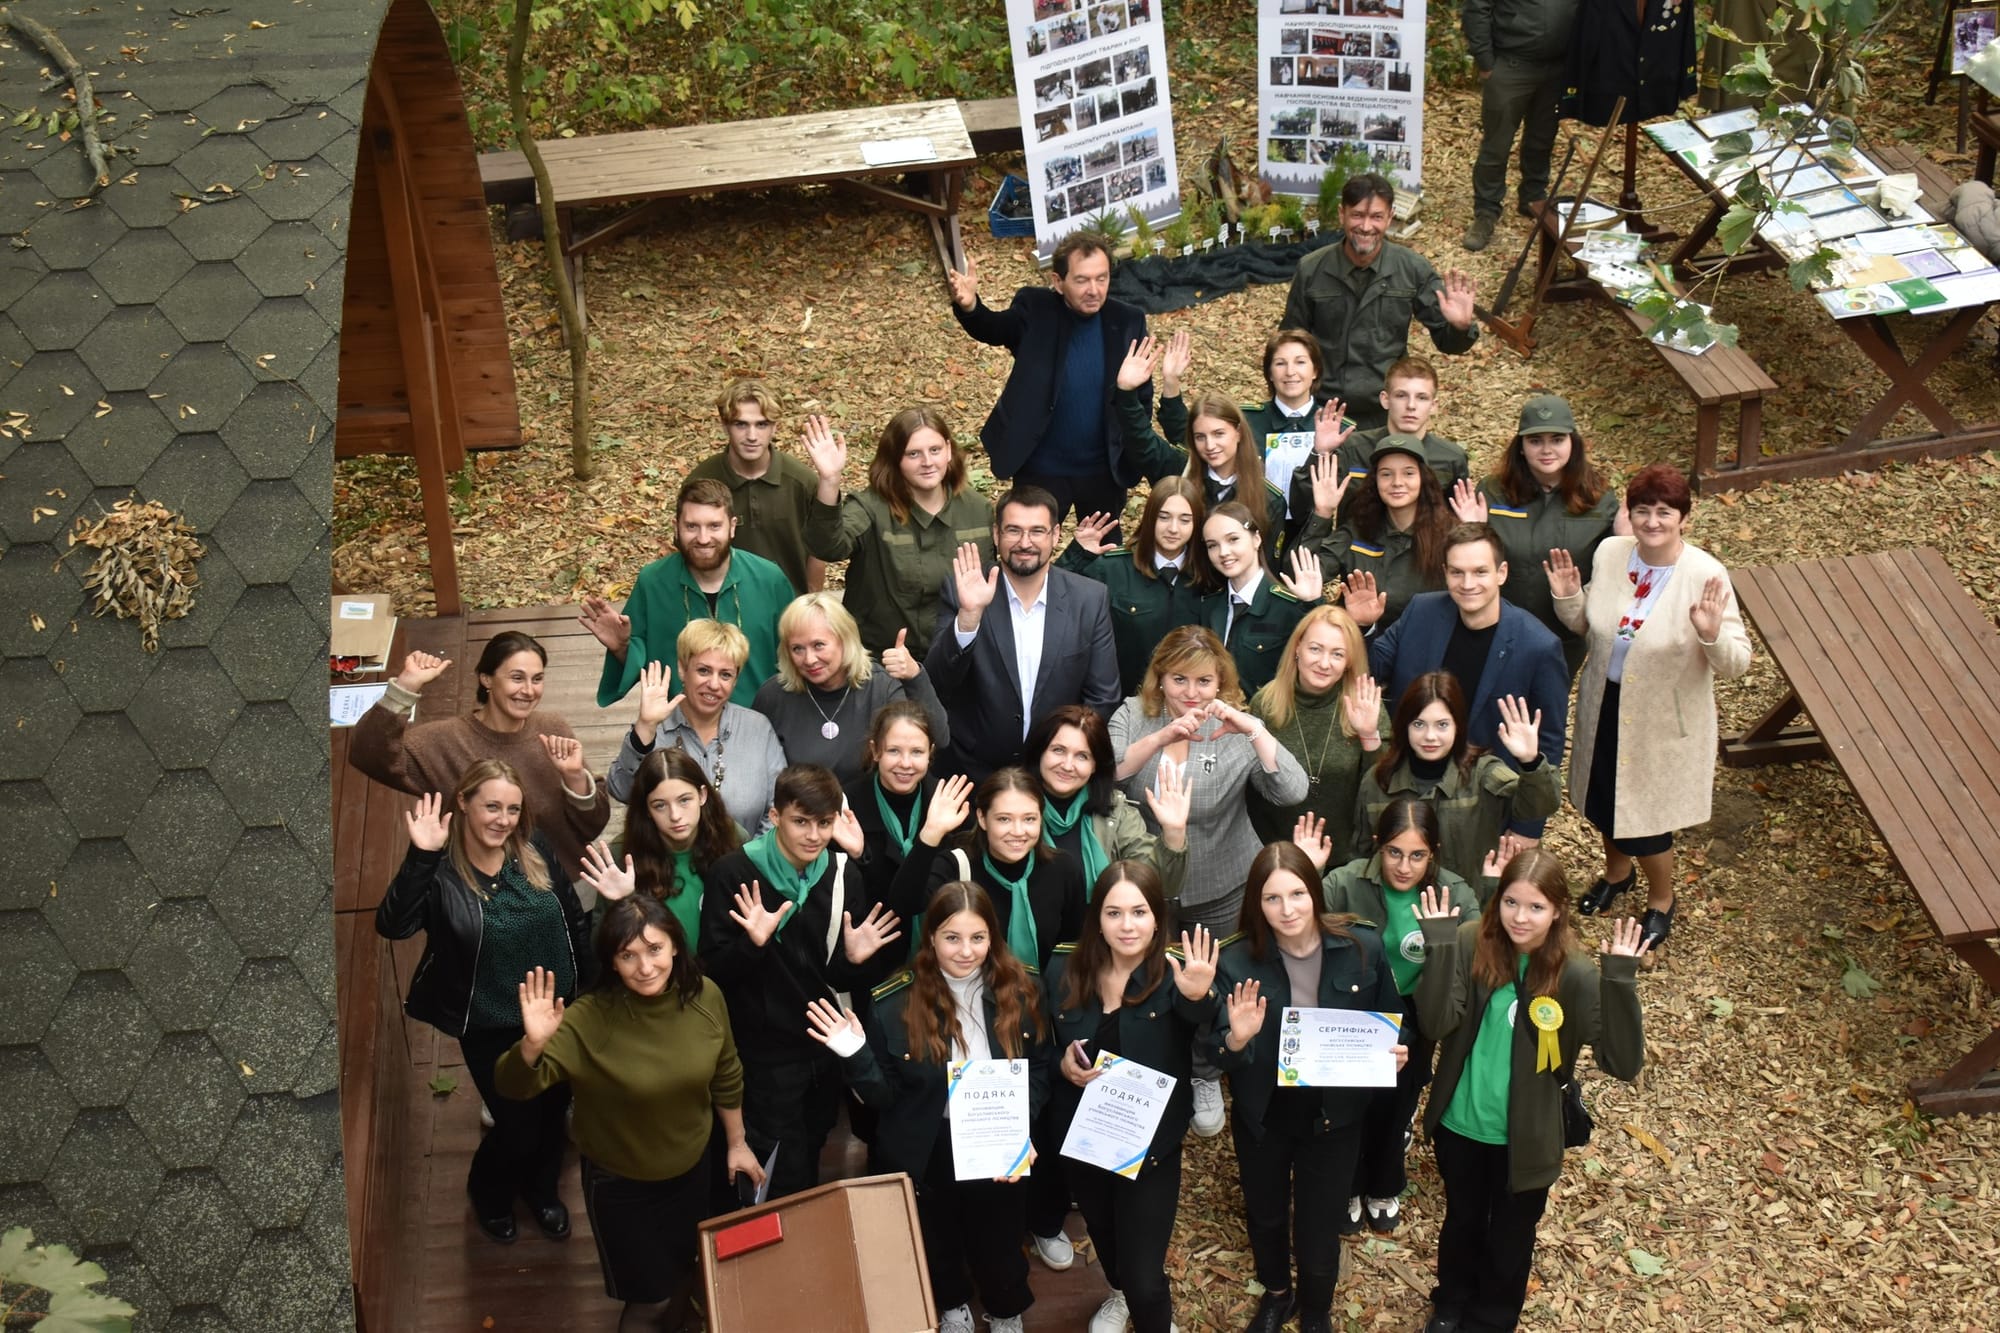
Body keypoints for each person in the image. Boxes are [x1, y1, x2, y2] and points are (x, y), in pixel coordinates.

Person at [496, 900, 762, 1333]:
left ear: (676, 946)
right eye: (628, 955)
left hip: (691, 1171)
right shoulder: (588, 1019)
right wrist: (532, 1045)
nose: (644, 967)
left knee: (683, 1273)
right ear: (612, 963)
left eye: (654, 949)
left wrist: (736, 1142)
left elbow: (727, 1072)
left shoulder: (706, 996)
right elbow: (513, 1086)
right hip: (621, 1187)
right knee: (649, 1299)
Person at [1412, 852, 1648, 1333]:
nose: (1520, 917)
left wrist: (1620, 979)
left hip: (1528, 1139)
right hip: (1461, 1124)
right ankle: (1450, 1303)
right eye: (1511, 902)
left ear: (1558, 910)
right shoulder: (1466, 942)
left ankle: (1490, 1320)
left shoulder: (1577, 974)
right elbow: (1435, 1023)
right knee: (1462, 1223)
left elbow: (1622, 1063)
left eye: (1536, 907)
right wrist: (1438, 946)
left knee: (1510, 1240)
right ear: (1497, 900)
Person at [806, 882, 1052, 1333]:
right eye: (952, 938)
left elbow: (1039, 1067)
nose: (965, 951)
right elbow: (884, 1099)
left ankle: (1004, 1307)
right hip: (928, 1140)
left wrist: (1022, 1127)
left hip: (998, 1132)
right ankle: (951, 1302)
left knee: (1000, 1231)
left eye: (978, 938)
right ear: (931, 938)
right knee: (936, 1233)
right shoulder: (895, 1000)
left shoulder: (1024, 988)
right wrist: (855, 1054)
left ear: (993, 938)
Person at [375, 761, 591, 1245]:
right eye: (492, 806)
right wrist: (420, 857)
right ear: (464, 803)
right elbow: (393, 926)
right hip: (491, 1022)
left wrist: (588, 992)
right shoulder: (441, 874)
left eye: (513, 809)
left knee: (554, 1112)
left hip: (557, 1014)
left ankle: (542, 1192)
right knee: (517, 1127)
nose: (503, 819)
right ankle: (489, 1194)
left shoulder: (533, 850)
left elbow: (574, 918)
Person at [1111, 625, 1307, 1138]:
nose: (1191, 693)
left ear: (1221, 681)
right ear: (1160, 677)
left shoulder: (1234, 726)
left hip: (1226, 881)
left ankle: (1204, 1071)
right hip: (1149, 882)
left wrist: (1253, 729)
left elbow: (1292, 790)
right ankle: (1154, 1074)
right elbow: (1104, 773)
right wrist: (1162, 736)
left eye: (1204, 681)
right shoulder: (1134, 716)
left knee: (1218, 983)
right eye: (1179, 679)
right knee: (1152, 982)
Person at [1548, 463, 1752, 954]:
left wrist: (1709, 631)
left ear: (1685, 516)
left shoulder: (1705, 573)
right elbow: (1591, 625)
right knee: (1601, 802)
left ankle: (1662, 899)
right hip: (1607, 704)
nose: (1653, 521)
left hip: (1661, 719)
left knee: (1647, 821)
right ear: (1630, 515)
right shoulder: (1612, 553)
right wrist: (1568, 594)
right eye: (1643, 511)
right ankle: (1617, 876)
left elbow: (1737, 664)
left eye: (1665, 511)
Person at [1212, 841, 1406, 1333]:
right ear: (1256, 903)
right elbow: (1212, 1051)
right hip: (1265, 1112)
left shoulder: (1363, 945)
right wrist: (1236, 1038)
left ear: (1314, 892)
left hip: (1335, 1113)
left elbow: (1392, 1015)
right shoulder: (1234, 962)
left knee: (1320, 1223)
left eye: (1297, 893)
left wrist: (1396, 1047)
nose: (1287, 909)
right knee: (1266, 1213)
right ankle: (1277, 1294)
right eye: (1272, 898)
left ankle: (1317, 1306)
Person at [697, 764, 903, 1199]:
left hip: (825, 1048)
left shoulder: (844, 875)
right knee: (774, 1164)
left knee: (812, 1146)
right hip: (764, 1053)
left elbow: (835, 976)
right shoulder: (732, 873)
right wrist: (752, 944)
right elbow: (713, 974)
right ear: (774, 816)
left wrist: (855, 961)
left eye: (824, 823)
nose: (813, 835)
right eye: (801, 821)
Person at [1044, 862, 1220, 1333]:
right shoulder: (1063, 967)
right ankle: (1118, 1294)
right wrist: (1061, 1062)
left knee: (1146, 1279)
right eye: (1114, 912)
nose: (1127, 925)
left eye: (1139, 912)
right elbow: (1036, 1045)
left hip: (1150, 1151)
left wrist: (1200, 999)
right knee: (1108, 1243)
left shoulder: (1180, 974)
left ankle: (1151, 1318)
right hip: (1083, 1144)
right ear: (1096, 919)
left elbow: (1215, 1044)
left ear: (1158, 918)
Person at [1310, 798, 1482, 1238]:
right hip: (1356, 1008)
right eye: (1394, 852)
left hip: (1416, 1011)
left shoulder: (1454, 894)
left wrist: (1444, 938)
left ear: (1434, 852)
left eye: (1418, 855)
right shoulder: (1344, 883)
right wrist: (1310, 877)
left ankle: (1383, 1187)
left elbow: (1478, 956)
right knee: (1350, 1106)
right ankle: (1348, 1186)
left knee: (1398, 1103)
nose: (1405, 867)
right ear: (1377, 846)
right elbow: (1304, 934)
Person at [1360, 524, 1570, 841]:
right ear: (1444, 572)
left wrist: (1527, 827)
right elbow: (1371, 671)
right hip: (1409, 785)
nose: (1468, 583)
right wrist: (1362, 628)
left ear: (1501, 572)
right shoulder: (1421, 612)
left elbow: (1549, 742)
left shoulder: (1539, 647)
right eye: (1457, 572)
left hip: (1485, 803)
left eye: (1480, 572)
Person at [350, 633, 609, 875]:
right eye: (517, 678)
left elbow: (592, 826)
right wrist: (405, 688)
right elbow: (366, 754)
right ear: (486, 679)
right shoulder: (443, 741)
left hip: (569, 891)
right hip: (488, 903)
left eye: (537, 679)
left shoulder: (554, 729)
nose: (529, 691)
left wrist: (575, 778)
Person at [947, 231, 1151, 528]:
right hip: (1041, 465)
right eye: (1082, 280)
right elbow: (996, 329)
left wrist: (1135, 452)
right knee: (1028, 545)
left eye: (1102, 278)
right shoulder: (1036, 309)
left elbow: (1141, 398)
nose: (1094, 289)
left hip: (1102, 469)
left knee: (1102, 556)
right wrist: (971, 307)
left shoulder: (1127, 320)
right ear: (1058, 282)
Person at [929, 486, 1123, 781]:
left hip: (1055, 777)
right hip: (972, 773)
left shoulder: (1089, 599)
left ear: (1056, 535)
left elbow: (1103, 696)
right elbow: (937, 682)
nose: (1025, 542)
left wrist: (1063, 757)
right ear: (996, 534)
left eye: (1037, 531)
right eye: (1013, 530)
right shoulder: (965, 590)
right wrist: (969, 617)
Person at [1280, 172, 1479, 431]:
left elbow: (1448, 341)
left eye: (1376, 216)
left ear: (1390, 216)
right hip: (1322, 407)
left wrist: (1461, 327)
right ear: (1342, 214)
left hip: (1386, 411)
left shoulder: (1412, 269)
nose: (1365, 226)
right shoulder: (1312, 269)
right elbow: (1288, 344)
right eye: (1357, 215)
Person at [1450, 394, 1625, 678]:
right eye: (1535, 441)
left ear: (1573, 443)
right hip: (1497, 629)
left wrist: (1625, 540)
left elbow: (1614, 572)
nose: (1547, 450)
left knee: (1545, 711)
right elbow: (1469, 560)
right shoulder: (1494, 491)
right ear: (1520, 447)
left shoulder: (1598, 499)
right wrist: (1473, 530)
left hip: (1562, 637)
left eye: (1557, 439)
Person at [583, 477, 796, 708]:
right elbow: (641, 666)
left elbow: (795, 658)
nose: (703, 539)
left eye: (714, 526)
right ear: (676, 527)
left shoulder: (769, 579)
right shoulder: (653, 582)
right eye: (692, 526)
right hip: (677, 726)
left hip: (758, 723)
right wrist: (621, 647)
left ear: (732, 526)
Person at [802, 409, 995, 661]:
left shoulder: (978, 509)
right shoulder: (870, 508)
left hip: (957, 657)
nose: (927, 461)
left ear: (948, 450)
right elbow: (828, 547)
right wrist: (829, 480)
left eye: (935, 450)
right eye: (913, 454)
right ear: (895, 459)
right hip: (881, 660)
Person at [1354, 674, 1560, 895]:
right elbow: (1361, 853)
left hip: (1466, 909)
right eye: (1419, 724)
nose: (1430, 736)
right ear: (1405, 726)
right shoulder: (1379, 779)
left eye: (1442, 725)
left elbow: (1538, 806)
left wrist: (1530, 762)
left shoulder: (1482, 774)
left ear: (1458, 725)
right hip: (1396, 912)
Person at [604, 624, 786, 838]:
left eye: (726, 675)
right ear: (682, 668)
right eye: (703, 670)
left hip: (747, 863)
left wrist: (750, 863)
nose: (714, 684)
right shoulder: (655, 728)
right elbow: (622, 791)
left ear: (736, 679)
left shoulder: (757, 728)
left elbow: (780, 805)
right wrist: (645, 726)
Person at [753, 592, 949, 789]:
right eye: (797, 649)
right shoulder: (774, 696)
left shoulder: (880, 687)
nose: (809, 659)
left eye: (818, 645)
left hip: (868, 814)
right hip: (801, 814)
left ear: (845, 640)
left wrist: (915, 676)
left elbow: (939, 739)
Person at [1108, 337, 1288, 551]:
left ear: (1238, 433)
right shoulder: (1179, 469)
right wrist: (1127, 392)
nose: (1210, 445)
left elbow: (1268, 565)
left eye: (1219, 434)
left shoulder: (1267, 497)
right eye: (1200, 437)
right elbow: (1141, 440)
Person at [1246, 604, 1388, 850]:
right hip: (1276, 853)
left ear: (1349, 661)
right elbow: (1251, 787)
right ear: (1297, 648)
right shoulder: (1265, 705)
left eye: (1337, 654)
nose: (1324, 663)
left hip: (1347, 856)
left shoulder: (1364, 703)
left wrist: (1368, 736)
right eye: (1315, 649)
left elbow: (1383, 787)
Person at [1056, 476, 1215, 694]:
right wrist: (1078, 554)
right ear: (1150, 518)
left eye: (1185, 520)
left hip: (1189, 705)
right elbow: (1055, 595)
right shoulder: (1113, 568)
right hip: (1124, 703)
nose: (1173, 529)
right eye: (1164, 517)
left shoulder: (1209, 575)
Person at [578, 746, 742, 948]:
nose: (675, 815)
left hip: (724, 972)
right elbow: (599, 951)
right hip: (656, 976)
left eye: (684, 800)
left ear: (702, 795)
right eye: (660, 805)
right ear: (646, 809)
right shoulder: (623, 854)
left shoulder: (733, 838)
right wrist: (621, 905)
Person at [1028, 704, 1191, 904]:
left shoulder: (1116, 812)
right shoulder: (1011, 805)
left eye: (1082, 756)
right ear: (1040, 752)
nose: (1068, 765)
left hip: (1096, 933)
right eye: (1058, 750)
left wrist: (1174, 833)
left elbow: (1160, 886)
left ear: (1095, 765)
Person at [687, 377, 824, 594]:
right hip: (723, 611)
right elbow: (689, 551)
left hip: (788, 609)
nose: (752, 436)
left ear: (775, 427)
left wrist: (809, 606)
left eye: (762, 424)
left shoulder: (801, 481)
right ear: (725, 425)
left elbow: (819, 551)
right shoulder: (701, 481)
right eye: (741, 424)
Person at [1459, 0, 1576, 252]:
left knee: (1542, 138)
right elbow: (1477, 7)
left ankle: (1533, 197)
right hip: (1511, 65)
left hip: (1558, 67)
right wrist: (1486, 61)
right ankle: (1486, 212)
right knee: (1497, 144)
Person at [1309, 435, 1453, 634]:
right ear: (1374, 481)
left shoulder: (1449, 536)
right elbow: (1308, 572)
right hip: (1362, 646)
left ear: (1424, 479)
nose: (1397, 482)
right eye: (1386, 474)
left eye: (1408, 473)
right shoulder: (1357, 530)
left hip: (1425, 649)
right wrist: (1322, 514)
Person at [1312, 357, 1471, 530]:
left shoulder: (1451, 458)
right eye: (1401, 395)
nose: (1411, 406)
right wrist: (1320, 453)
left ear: (1434, 405)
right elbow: (1308, 503)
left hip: (1424, 553)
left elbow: (1458, 525)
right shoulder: (1353, 448)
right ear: (1385, 399)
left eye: (1422, 398)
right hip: (1356, 552)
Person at [1198, 501, 1325, 696]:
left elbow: (1320, 662)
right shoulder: (1208, 607)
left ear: (1256, 539)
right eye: (1212, 545)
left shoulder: (1288, 606)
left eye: (1233, 539)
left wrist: (1312, 605)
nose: (1223, 552)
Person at [844, 701, 952, 910]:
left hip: (937, 933)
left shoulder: (946, 801)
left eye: (917, 752)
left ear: (930, 753)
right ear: (875, 751)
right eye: (894, 751)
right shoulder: (848, 804)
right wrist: (860, 856)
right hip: (870, 932)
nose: (905, 763)